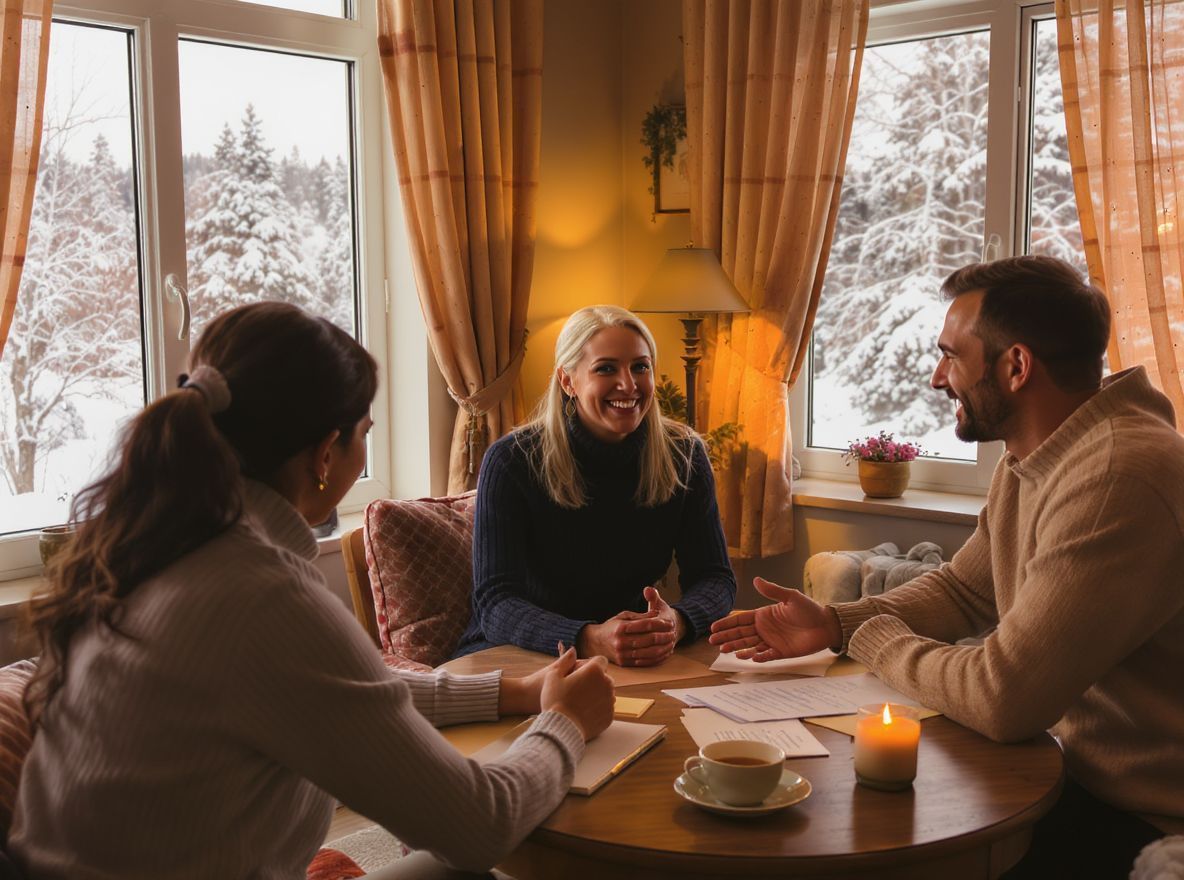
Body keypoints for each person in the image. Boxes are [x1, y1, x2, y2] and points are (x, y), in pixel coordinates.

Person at [10, 302, 615, 880]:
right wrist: (565, 723)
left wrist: (518, 691)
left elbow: (335, 691)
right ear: (326, 453)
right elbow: (481, 826)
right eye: (364, 434)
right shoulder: (265, 598)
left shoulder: (147, 552)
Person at [710, 256, 1184, 876]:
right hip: (1068, 775)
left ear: (1016, 367)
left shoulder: (1116, 477)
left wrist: (873, 637)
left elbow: (1003, 696)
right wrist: (834, 622)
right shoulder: (1039, 452)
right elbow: (965, 591)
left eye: (951, 355)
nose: (937, 377)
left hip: (1142, 821)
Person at [457, 305, 736, 667]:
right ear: (567, 381)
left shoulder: (683, 454)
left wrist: (677, 623)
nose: (629, 384)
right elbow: (496, 604)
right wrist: (587, 639)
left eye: (641, 366)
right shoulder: (512, 461)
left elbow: (714, 576)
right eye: (606, 368)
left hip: (627, 657)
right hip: (519, 654)